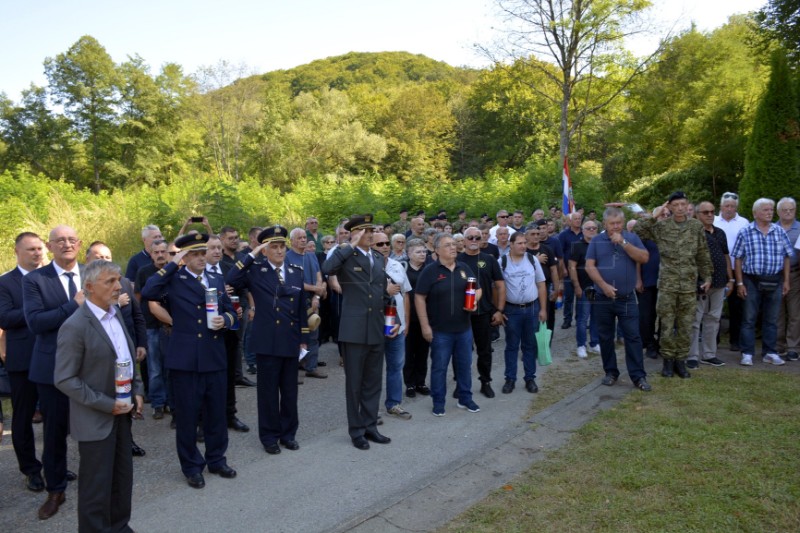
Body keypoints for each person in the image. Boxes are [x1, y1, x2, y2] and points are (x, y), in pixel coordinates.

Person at [141, 233, 238, 488]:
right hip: (186, 359)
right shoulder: (174, 278)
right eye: (193, 254)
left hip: (213, 355)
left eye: (201, 252)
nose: (200, 258)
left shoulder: (216, 278)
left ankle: (217, 459)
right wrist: (174, 264)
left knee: (216, 413)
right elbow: (148, 291)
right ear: (184, 256)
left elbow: (230, 311)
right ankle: (192, 466)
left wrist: (225, 320)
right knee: (187, 416)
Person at [54, 260, 144, 533]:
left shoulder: (114, 313)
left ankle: (119, 526)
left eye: (118, 280)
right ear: (90, 287)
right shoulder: (75, 326)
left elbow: (126, 357)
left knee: (121, 480)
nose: (118, 286)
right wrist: (107, 405)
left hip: (123, 413)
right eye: (110, 282)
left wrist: (137, 389)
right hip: (96, 419)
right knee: (96, 489)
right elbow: (64, 379)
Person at [226, 225, 309, 454]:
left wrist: (303, 338)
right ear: (265, 250)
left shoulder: (295, 271)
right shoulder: (256, 270)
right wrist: (252, 254)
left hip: (290, 340)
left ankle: (288, 433)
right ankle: (270, 436)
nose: (280, 251)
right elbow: (231, 278)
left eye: (282, 246)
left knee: (290, 392)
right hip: (267, 341)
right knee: (268, 393)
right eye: (274, 247)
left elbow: (302, 307)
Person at [22, 225, 83, 519]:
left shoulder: (94, 272)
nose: (67, 244)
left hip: (92, 366)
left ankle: (100, 484)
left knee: (95, 428)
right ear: (50, 246)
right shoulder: (35, 280)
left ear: (79, 244)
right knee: (55, 432)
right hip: (53, 369)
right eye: (60, 241)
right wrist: (75, 305)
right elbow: (36, 323)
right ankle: (55, 490)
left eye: (71, 239)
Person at [322, 214, 394, 450]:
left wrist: (394, 320)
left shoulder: (376, 256)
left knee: (373, 381)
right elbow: (327, 268)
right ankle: (356, 431)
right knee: (355, 384)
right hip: (353, 330)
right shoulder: (345, 254)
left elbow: (382, 292)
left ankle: (370, 426)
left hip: (375, 326)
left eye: (371, 231)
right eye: (365, 231)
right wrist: (349, 245)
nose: (370, 235)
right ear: (354, 233)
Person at [634, 192, 712, 378]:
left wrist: (707, 276)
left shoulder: (695, 226)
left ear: (687, 206)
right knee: (667, 325)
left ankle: (681, 361)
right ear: (669, 207)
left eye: (682, 204)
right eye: (675, 205)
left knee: (686, 325)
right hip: (667, 285)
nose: (679, 208)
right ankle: (668, 361)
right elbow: (637, 231)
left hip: (688, 285)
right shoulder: (661, 227)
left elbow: (702, 252)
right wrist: (655, 214)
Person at [85, 241, 148, 457]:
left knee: (126, 400)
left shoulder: (125, 284)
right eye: (98, 257)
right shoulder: (84, 290)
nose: (104, 261)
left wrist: (140, 343)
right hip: (99, 362)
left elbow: (138, 316)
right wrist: (116, 304)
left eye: (107, 257)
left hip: (124, 355)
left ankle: (126, 441)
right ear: (87, 261)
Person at [585, 208, 652, 391]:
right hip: (602, 298)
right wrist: (604, 286)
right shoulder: (597, 240)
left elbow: (644, 257)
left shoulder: (631, 238)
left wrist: (623, 242)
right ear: (605, 224)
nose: (616, 227)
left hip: (627, 298)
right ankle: (611, 372)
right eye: (612, 223)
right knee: (606, 337)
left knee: (633, 337)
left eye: (619, 223)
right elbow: (589, 266)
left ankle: (638, 376)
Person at [415, 233, 482, 416]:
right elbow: (419, 297)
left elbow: (478, 289)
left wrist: (474, 300)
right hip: (440, 331)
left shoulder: (464, 267)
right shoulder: (430, 271)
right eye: (447, 245)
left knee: (464, 366)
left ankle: (465, 398)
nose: (453, 247)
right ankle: (438, 402)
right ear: (436, 250)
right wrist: (425, 326)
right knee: (439, 368)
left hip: (463, 329)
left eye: (454, 244)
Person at [0, 232, 45, 492]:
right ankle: (31, 469)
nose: (37, 253)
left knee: (55, 415)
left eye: (39, 248)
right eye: (30, 249)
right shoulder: (5, 283)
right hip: (23, 360)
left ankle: (54, 463)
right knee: (23, 417)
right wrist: (39, 313)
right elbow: (5, 318)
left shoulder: (50, 277)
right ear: (17, 251)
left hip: (52, 357)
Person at [731, 198, 795, 367]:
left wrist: (786, 280)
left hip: (775, 280)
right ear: (756, 213)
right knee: (749, 319)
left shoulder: (779, 231)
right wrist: (739, 283)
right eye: (766, 210)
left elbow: (787, 257)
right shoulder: (745, 232)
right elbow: (738, 259)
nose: (770, 213)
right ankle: (747, 353)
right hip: (751, 280)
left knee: (772, 319)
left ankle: (770, 352)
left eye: (771, 210)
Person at [204, 236, 250, 433]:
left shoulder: (225, 268)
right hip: (208, 333)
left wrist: (234, 310)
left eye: (219, 248)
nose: (217, 251)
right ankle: (203, 422)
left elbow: (239, 288)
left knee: (230, 375)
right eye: (212, 248)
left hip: (229, 329)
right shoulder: (198, 273)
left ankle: (230, 414)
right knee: (207, 380)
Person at [458, 227, 505, 398]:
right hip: (461, 314)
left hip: (484, 312)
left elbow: (500, 285)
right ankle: (460, 383)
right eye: (470, 237)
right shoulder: (457, 260)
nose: (474, 240)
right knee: (461, 351)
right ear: (464, 240)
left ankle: (485, 382)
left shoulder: (489, 260)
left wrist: (499, 310)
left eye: (477, 237)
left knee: (484, 351)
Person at [687, 201, 733, 369]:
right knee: (695, 319)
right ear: (697, 214)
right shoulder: (692, 233)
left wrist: (731, 279)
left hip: (720, 282)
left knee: (714, 319)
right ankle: (692, 355)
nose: (709, 214)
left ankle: (709, 354)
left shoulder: (720, 233)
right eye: (705, 212)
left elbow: (726, 256)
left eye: (712, 211)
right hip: (699, 283)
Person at [372, 232, 413, 420]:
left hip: (397, 326)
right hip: (375, 325)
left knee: (396, 366)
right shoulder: (367, 268)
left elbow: (406, 295)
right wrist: (384, 290)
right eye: (379, 243)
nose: (385, 246)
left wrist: (406, 323)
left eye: (387, 243)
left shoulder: (397, 266)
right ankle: (371, 409)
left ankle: (394, 404)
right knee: (373, 369)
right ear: (371, 246)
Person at [499, 232, 547, 394]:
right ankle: (510, 379)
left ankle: (530, 378)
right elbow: (497, 287)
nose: (523, 246)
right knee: (512, 346)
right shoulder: (503, 262)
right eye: (519, 243)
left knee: (530, 345)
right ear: (511, 244)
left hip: (532, 309)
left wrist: (543, 308)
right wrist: (499, 310)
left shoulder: (532, 260)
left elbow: (541, 284)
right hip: (512, 310)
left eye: (524, 243)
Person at [134, 239, 170, 419]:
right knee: (154, 368)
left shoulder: (174, 271)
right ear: (151, 254)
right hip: (150, 326)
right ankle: (157, 403)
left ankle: (171, 402)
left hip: (170, 325)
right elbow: (139, 298)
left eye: (164, 251)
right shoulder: (144, 272)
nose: (161, 255)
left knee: (170, 366)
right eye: (157, 252)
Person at [287, 228, 327, 378]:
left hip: (313, 302)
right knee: (294, 336)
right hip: (295, 302)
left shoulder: (311, 256)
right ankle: (292, 371)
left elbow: (318, 276)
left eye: (304, 237)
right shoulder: (287, 258)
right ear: (291, 241)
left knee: (313, 334)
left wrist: (316, 296)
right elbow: (292, 282)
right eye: (299, 238)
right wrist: (317, 289)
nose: (303, 240)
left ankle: (311, 367)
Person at [714, 192, 750, 351]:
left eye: (733, 206)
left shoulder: (744, 222)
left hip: (738, 269)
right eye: (727, 206)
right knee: (715, 306)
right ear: (721, 206)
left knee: (737, 307)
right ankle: (713, 339)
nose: (730, 209)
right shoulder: (713, 220)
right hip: (717, 269)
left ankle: (735, 340)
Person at [403, 238, 432, 398]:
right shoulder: (403, 270)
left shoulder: (429, 269)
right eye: (418, 252)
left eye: (424, 251)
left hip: (426, 318)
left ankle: (421, 382)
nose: (422, 254)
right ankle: (410, 384)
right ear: (409, 254)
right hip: (409, 318)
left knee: (423, 352)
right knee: (409, 353)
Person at [569, 220, 600, 358]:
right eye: (588, 228)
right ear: (583, 230)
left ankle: (594, 343)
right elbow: (572, 267)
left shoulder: (600, 245)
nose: (591, 230)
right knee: (583, 318)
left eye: (594, 228)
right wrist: (576, 285)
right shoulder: (577, 246)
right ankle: (581, 345)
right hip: (584, 287)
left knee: (596, 316)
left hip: (599, 286)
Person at [775, 197, 800, 361]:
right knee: (777, 313)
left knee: (795, 312)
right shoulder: (772, 228)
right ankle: (778, 346)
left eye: (791, 209)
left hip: (795, 274)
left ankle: (793, 347)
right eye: (785, 210)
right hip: (775, 276)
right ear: (778, 212)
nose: (788, 212)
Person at [557, 212, 584, 329]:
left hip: (583, 271)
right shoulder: (563, 235)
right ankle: (567, 319)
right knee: (568, 297)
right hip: (568, 271)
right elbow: (560, 254)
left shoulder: (586, 233)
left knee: (582, 296)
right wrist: (562, 268)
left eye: (579, 218)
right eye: (575, 219)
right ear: (570, 221)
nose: (578, 221)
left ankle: (580, 319)